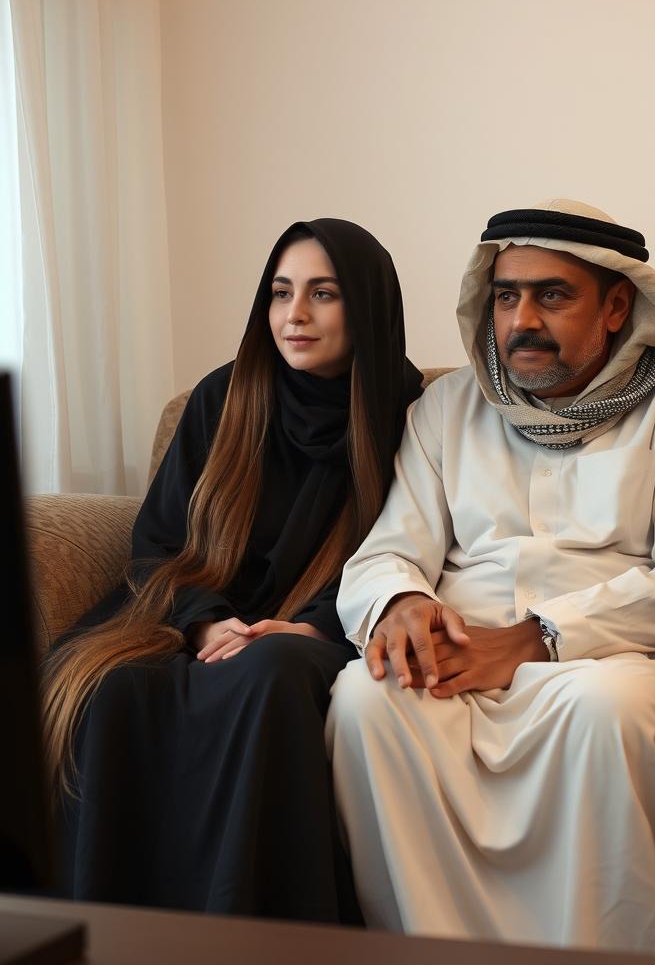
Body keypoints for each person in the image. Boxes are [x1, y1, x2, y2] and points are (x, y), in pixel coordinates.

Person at [326, 198, 655, 952]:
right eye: (506, 296)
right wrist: (402, 603)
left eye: (551, 295)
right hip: (460, 658)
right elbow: (390, 548)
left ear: (617, 305)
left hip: (617, 658)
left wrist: (535, 640)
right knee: (365, 694)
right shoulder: (447, 406)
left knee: (602, 709)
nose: (522, 319)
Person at [42, 218, 422, 922]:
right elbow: (160, 537)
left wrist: (310, 628)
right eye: (280, 293)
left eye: (323, 293)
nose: (294, 315)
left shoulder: (412, 410)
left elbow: (411, 545)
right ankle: (107, 935)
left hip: (327, 627)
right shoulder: (224, 397)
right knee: (115, 687)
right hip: (191, 611)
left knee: (270, 675)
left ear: (366, 304)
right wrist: (207, 619)